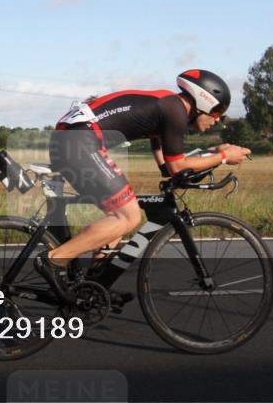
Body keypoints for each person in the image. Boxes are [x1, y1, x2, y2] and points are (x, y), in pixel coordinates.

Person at [34, 69, 251, 300]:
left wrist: (211, 155)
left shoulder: (168, 106)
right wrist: (224, 157)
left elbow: (169, 167)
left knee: (117, 212)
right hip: (81, 142)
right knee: (128, 215)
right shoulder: (175, 110)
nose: (217, 119)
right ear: (203, 100)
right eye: (217, 111)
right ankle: (53, 261)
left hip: (73, 138)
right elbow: (178, 166)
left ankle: (93, 286)